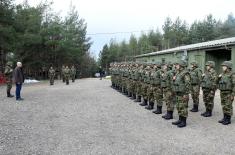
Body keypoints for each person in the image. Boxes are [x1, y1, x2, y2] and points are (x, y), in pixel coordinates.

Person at [172, 60, 190, 128]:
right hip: (178, 92)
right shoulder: (178, 73)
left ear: (181, 66)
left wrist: (186, 94)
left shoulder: (185, 73)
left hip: (183, 93)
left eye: (177, 65)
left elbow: (187, 84)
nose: (176, 66)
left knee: (183, 107)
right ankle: (180, 119)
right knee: (179, 107)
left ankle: (184, 121)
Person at [218, 61, 235, 125]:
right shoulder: (222, 74)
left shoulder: (232, 74)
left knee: (228, 106)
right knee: (224, 105)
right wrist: (218, 77)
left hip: (228, 93)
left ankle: (228, 119)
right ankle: (224, 118)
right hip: (222, 92)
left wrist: (233, 94)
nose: (223, 67)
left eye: (224, 66)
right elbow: (217, 82)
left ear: (228, 67)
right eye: (223, 66)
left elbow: (234, 85)